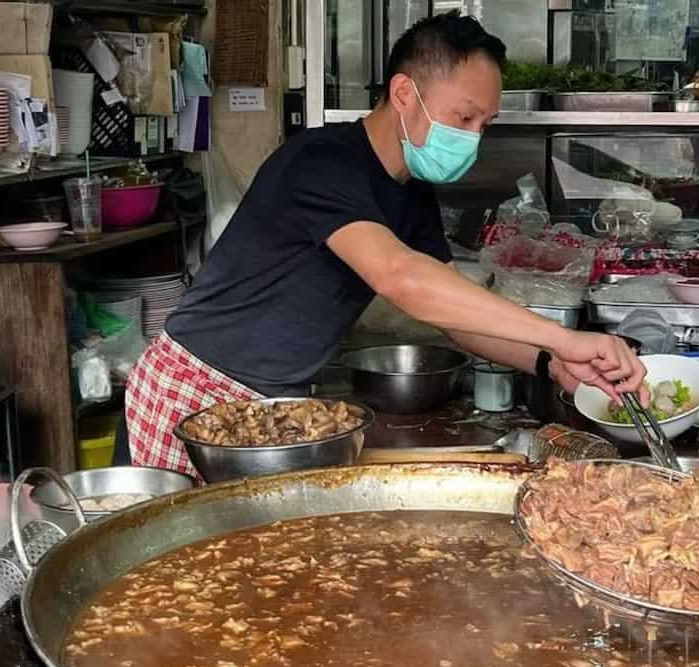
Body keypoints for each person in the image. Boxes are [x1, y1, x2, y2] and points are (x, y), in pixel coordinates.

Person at [122, 12, 647, 476]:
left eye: (485, 124)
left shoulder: (410, 190)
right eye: (464, 117)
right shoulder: (322, 162)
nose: (474, 137)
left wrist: (548, 364)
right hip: (197, 389)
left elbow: (450, 314)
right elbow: (404, 279)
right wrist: (562, 339)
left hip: (272, 402)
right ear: (403, 94)